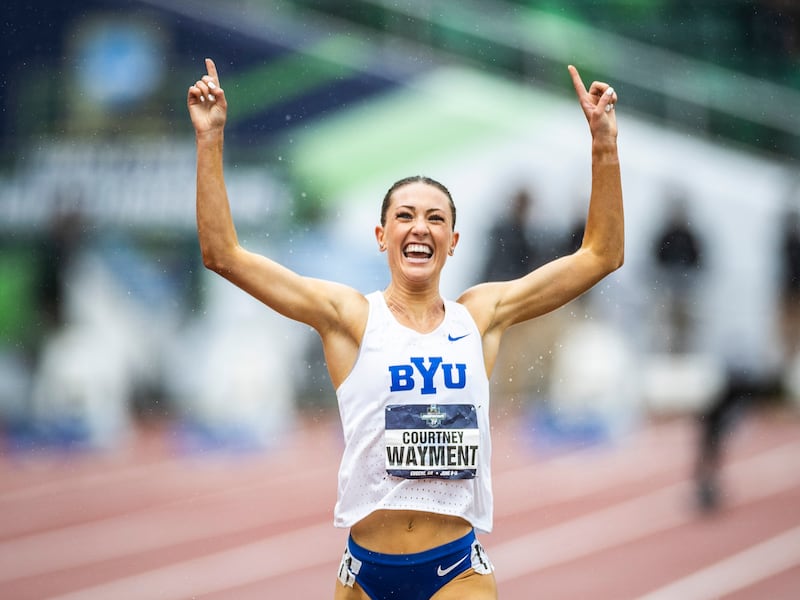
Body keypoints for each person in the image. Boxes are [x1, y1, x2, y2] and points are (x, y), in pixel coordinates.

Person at [187, 58, 623, 600]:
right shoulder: (346, 316)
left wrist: (603, 143)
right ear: (381, 235)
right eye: (406, 216)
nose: (421, 227)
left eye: (436, 218)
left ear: (454, 242)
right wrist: (210, 140)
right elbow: (223, 254)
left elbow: (601, 254)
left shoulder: (481, 315)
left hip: (455, 571)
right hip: (365, 574)